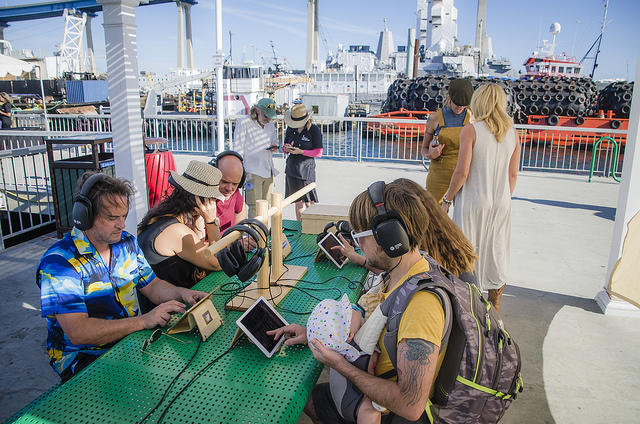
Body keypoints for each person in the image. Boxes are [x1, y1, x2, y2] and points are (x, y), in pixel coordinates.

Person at [269, 180, 446, 423]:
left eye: (361, 236)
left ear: (390, 237)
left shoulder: (421, 306)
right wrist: (315, 333)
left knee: (299, 396)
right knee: (309, 397)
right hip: (369, 387)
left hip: (388, 412)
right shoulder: (400, 272)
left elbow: (410, 405)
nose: (358, 244)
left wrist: (341, 365)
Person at [37, 171, 208, 382]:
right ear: (85, 216)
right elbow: (78, 331)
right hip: (84, 358)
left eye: (124, 216)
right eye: (112, 218)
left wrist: (183, 293)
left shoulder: (126, 242)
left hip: (127, 341)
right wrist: (143, 321)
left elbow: (152, 286)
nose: (122, 225)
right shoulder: (59, 264)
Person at [442, 83, 521, 312]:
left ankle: (466, 310)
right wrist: (503, 197)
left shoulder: (472, 129)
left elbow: (462, 172)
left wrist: (447, 199)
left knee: (466, 255)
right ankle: (494, 309)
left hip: (473, 202)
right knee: (496, 252)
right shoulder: (513, 132)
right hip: (501, 202)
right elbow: (513, 174)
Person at [333, 178, 477, 285]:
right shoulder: (446, 241)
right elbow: (399, 272)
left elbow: (404, 276)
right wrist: (360, 259)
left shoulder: (427, 279)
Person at [137, 161, 225, 311]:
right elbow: (218, 262)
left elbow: (199, 249)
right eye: (213, 199)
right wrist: (211, 221)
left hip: (162, 306)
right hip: (172, 314)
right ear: (202, 200)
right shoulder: (176, 231)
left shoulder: (159, 218)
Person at [421, 79, 474, 204]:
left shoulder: (472, 119)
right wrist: (430, 154)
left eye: (463, 104)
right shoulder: (434, 118)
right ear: (449, 96)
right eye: (457, 103)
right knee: (433, 215)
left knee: (462, 218)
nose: (460, 107)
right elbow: (423, 149)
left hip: (464, 176)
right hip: (438, 176)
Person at [234, 98, 280, 218]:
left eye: (270, 116)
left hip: (268, 169)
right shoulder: (243, 122)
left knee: (268, 205)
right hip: (251, 171)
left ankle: (264, 233)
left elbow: (274, 141)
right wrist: (240, 172)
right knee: (254, 206)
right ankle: (254, 235)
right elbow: (238, 148)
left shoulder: (270, 124)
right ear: (258, 110)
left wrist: (274, 147)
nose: (268, 119)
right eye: (266, 115)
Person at [283, 103, 323, 220]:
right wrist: (286, 149)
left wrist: (301, 152)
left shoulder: (314, 129)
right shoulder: (291, 129)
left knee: (309, 202)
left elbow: (318, 152)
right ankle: (300, 226)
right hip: (292, 168)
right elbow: (284, 148)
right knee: (298, 202)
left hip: (306, 169)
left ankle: (310, 226)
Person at [212, 150, 249, 232]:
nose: (229, 188)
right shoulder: (201, 199)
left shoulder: (236, 194)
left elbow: (241, 216)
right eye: (224, 182)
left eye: (235, 184)